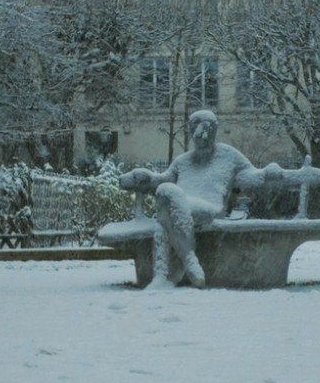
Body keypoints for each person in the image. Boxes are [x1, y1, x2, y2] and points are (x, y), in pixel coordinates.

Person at [119, 109, 281, 287]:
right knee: (164, 215)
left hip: (209, 208)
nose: (201, 135)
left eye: (206, 129)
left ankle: (170, 271)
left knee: (165, 210)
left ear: (214, 130)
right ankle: (182, 264)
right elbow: (161, 181)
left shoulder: (228, 155)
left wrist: (268, 172)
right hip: (178, 207)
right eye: (196, 130)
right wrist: (147, 177)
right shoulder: (183, 161)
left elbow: (252, 175)